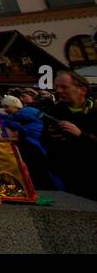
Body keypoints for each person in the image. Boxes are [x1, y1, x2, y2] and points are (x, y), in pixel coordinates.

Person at [41, 70, 97, 200]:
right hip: (63, 176)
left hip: (91, 175)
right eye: (56, 87)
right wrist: (50, 136)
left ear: (82, 90)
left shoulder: (94, 112)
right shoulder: (54, 111)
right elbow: (43, 141)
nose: (58, 91)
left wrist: (81, 135)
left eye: (64, 87)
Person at [0, 93, 49, 186]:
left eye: (7, 107)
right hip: (37, 148)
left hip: (35, 148)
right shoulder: (28, 115)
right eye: (3, 107)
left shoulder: (24, 114)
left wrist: (1, 117)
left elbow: (23, 129)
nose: (5, 110)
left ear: (15, 105)